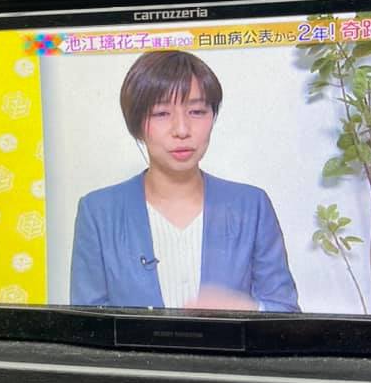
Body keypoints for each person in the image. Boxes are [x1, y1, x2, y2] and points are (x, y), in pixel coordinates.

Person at [70, 49, 299, 312]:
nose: (181, 130)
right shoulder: (98, 212)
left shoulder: (252, 206)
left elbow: (286, 312)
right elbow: (86, 322)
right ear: (136, 124)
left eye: (197, 111)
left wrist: (242, 308)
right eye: (161, 113)